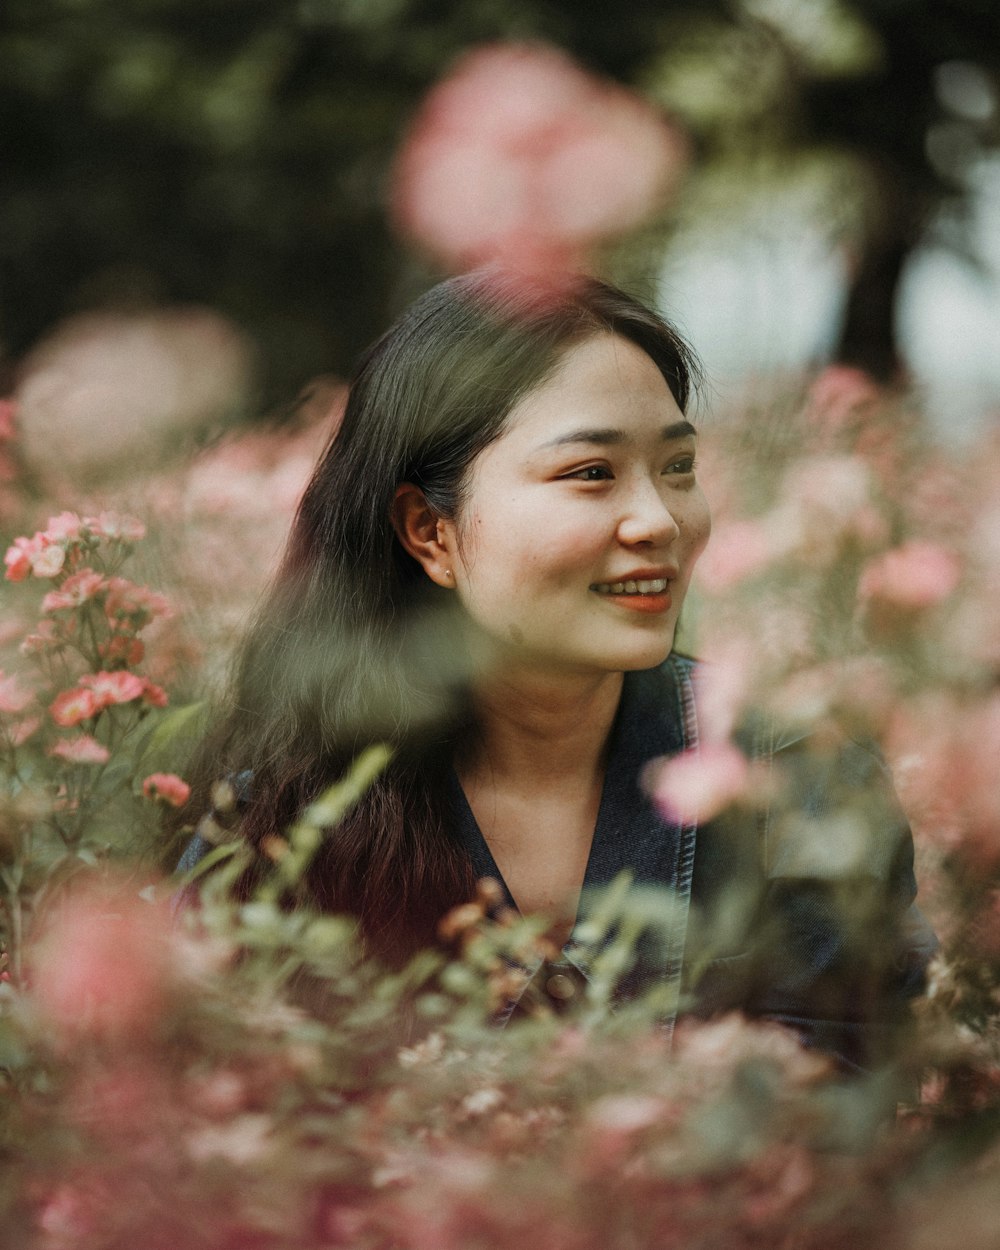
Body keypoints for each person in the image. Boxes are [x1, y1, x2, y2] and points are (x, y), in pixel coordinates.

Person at [177, 269, 935, 1071]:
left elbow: (843, 1127)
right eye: (591, 473)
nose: (660, 521)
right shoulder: (283, 826)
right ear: (430, 532)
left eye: (677, 468)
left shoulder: (800, 782)